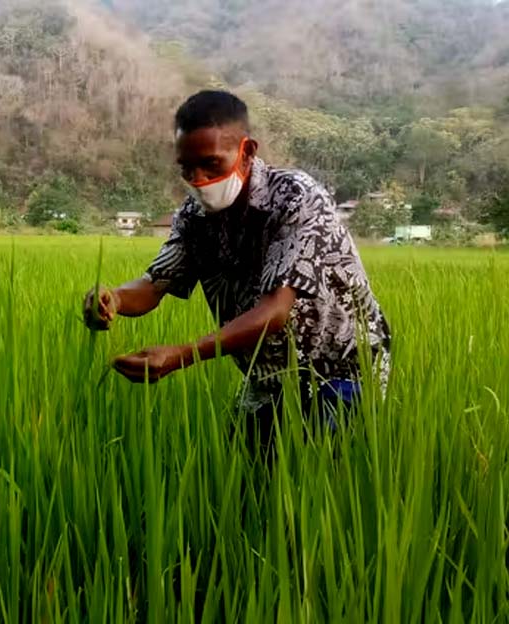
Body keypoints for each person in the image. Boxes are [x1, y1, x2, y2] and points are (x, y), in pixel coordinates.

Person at [84, 90, 391, 453]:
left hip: (342, 368)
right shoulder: (194, 217)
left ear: (246, 152)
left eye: (211, 164)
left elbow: (275, 311)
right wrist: (115, 298)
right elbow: (155, 284)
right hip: (269, 376)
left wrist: (183, 354)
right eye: (187, 168)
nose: (198, 179)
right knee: (241, 471)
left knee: (318, 472)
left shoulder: (296, 197)